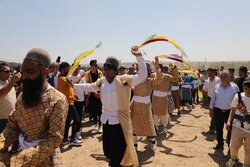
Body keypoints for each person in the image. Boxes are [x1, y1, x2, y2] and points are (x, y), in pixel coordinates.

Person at [74, 46, 147, 167]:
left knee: (118, 149)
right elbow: (89, 86)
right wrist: (73, 85)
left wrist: (139, 56)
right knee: (107, 150)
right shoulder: (101, 81)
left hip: (119, 121)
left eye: (108, 69)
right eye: (105, 69)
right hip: (106, 120)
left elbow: (142, 76)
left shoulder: (124, 80)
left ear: (115, 70)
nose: (106, 72)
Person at [0, 48, 68, 166]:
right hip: (23, 155)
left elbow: (54, 140)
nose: (24, 76)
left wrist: (14, 160)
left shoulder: (57, 99)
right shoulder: (22, 97)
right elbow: (12, 126)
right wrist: (1, 145)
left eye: (30, 72)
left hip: (46, 160)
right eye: (23, 71)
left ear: (45, 72)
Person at [209, 70, 239, 150]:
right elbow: (213, 99)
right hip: (218, 110)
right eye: (221, 77)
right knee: (219, 129)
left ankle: (230, 145)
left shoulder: (234, 87)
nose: (223, 78)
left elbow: (239, 99)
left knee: (230, 129)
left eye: (225, 77)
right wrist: (211, 108)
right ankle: (220, 144)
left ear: (228, 77)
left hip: (230, 112)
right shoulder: (216, 87)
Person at [130, 62, 157, 151]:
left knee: (148, 124)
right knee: (134, 125)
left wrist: (157, 66)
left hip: (145, 106)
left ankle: (153, 142)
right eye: (138, 69)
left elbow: (159, 78)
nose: (138, 70)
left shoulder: (151, 79)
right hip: (136, 105)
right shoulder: (135, 78)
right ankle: (135, 146)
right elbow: (129, 85)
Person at [226, 78, 250, 167]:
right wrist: (229, 121)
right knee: (233, 147)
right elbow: (233, 109)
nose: (248, 90)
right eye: (246, 88)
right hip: (238, 127)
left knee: (248, 150)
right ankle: (234, 158)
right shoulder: (238, 96)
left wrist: (245, 113)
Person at [152, 57, 180, 133]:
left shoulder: (167, 76)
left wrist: (174, 69)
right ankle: (155, 127)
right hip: (154, 97)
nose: (157, 69)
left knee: (164, 113)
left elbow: (176, 79)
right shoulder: (152, 75)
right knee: (155, 113)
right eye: (156, 67)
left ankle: (164, 127)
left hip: (163, 97)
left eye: (158, 67)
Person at [58, 62, 82, 145]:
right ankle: (72, 139)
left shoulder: (64, 78)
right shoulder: (63, 78)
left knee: (68, 121)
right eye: (67, 68)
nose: (68, 70)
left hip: (69, 101)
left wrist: (73, 95)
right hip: (69, 103)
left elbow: (67, 89)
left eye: (69, 68)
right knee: (76, 119)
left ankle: (65, 139)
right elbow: (71, 85)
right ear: (62, 69)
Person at [0, 62, 21, 133]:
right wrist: (12, 82)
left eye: (10, 71)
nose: (9, 73)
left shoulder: (9, 82)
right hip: (2, 120)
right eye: (7, 71)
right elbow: (1, 93)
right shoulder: (9, 83)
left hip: (12, 118)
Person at [85, 59, 103, 132]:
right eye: (95, 65)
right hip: (91, 94)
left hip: (99, 94)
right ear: (91, 66)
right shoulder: (87, 74)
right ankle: (96, 123)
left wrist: (98, 93)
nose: (96, 66)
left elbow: (101, 83)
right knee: (93, 110)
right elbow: (88, 85)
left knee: (100, 110)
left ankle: (100, 125)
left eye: (96, 65)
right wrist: (94, 92)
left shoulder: (99, 73)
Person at [69, 65, 87, 142]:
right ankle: (72, 135)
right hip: (72, 100)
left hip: (81, 100)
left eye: (77, 68)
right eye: (74, 68)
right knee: (73, 118)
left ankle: (78, 134)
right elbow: (71, 86)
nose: (76, 70)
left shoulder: (82, 77)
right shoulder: (69, 77)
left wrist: (87, 98)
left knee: (79, 117)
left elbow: (85, 88)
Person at [203, 68, 220, 134]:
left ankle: (212, 128)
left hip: (218, 99)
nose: (208, 74)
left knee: (215, 114)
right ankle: (214, 128)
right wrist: (204, 101)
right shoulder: (207, 81)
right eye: (208, 72)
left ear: (213, 72)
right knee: (212, 114)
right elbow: (204, 91)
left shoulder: (218, 80)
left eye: (210, 72)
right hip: (210, 99)